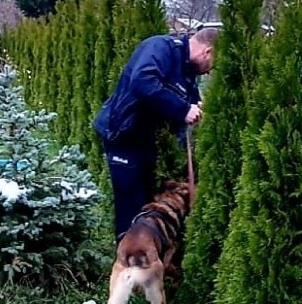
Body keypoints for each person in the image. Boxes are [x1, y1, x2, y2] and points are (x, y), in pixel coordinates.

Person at [93, 27, 218, 241]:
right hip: (124, 137)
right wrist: (182, 109)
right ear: (208, 51)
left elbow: (187, 99)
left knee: (146, 208)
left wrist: (196, 107)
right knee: (131, 210)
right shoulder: (160, 47)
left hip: (147, 143)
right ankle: (126, 266)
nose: (208, 72)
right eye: (212, 65)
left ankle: (146, 264)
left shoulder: (187, 70)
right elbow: (143, 81)